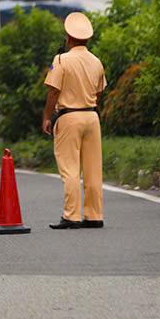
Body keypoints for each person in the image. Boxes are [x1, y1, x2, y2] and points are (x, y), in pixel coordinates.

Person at [41, 12, 106, 230]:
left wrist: (47, 117)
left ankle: (71, 216)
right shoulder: (96, 61)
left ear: (68, 38)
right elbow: (99, 94)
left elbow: (53, 91)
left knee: (70, 169)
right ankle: (94, 215)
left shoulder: (61, 60)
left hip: (69, 117)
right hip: (92, 117)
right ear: (87, 39)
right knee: (93, 169)